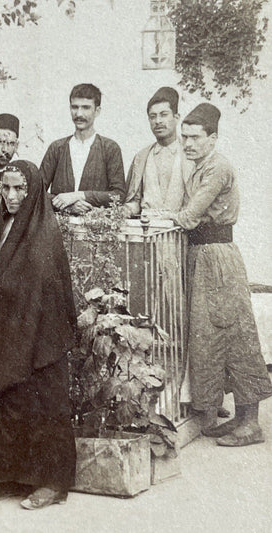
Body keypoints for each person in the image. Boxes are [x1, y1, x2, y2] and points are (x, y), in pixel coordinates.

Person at [0, 160, 77, 509]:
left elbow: (37, 281)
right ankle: (11, 475)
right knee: (8, 397)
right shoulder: (7, 226)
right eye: (6, 188)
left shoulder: (43, 231)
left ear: (33, 191)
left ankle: (51, 484)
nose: (11, 196)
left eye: (19, 189)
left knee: (41, 405)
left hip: (40, 340)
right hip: (10, 333)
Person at [170, 104, 272, 446]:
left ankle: (250, 423)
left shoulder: (218, 168)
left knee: (235, 333)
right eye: (184, 137)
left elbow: (190, 215)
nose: (187, 143)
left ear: (212, 138)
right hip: (201, 257)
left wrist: (158, 216)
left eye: (195, 137)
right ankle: (235, 417)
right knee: (210, 337)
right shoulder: (198, 167)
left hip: (218, 258)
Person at [39, 83, 125, 215]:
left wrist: (80, 195)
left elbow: (118, 195)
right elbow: (37, 192)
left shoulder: (110, 148)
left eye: (86, 108)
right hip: (58, 227)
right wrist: (67, 207)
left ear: (97, 111)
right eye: (75, 107)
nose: (79, 113)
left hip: (97, 229)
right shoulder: (57, 148)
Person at [124, 87, 194, 218]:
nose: (158, 121)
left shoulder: (190, 155)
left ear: (176, 117)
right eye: (153, 116)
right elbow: (134, 202)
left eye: (164, 114)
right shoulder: (141, 157)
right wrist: (125, 210)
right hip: (147, 230)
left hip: (182, 231)